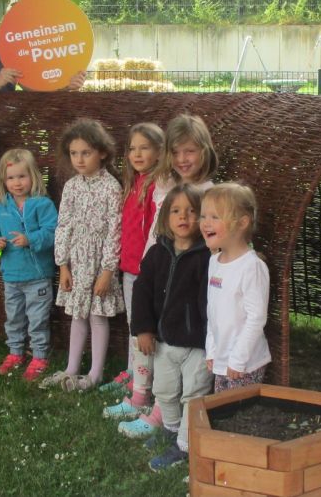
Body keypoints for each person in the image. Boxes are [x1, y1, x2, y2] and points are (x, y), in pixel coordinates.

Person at [119, 113, 219, 439]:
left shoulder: (210, 191)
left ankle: (161, 412)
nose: (182, 159)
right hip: (157, 264)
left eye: (190, 151)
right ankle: (138, 395)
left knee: (169, 347)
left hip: (186, 274)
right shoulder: (163, 182)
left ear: (205, 150)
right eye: (176, 152)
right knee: (145, 337)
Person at [130, 184, 213, 472]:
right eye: (176, 211)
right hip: (163, 341)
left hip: (197, 344)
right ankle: (171, 429)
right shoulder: (157, 253)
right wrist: (143, 329)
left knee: (194, 396)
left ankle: (186, 446)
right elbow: (141, 290)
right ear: (166, 217)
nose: (184, 217)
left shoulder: (208, 256)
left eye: (193, 212)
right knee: (164, 391)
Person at [41, 118, 125, 392]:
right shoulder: (72, 186)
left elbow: (115, 232)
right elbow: (63, 225)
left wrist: (108, 271)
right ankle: (71, 369)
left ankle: (95, 374)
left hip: (100, 266)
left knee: (97, 316)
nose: (79, 159)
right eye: (74, 153)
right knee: (77, 314)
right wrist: (63, 265)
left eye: (85, 153)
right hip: (77, 264)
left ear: (102, 152)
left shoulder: (111, 187)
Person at [101, 122, 164, 418]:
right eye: (132, 148)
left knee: (145, 330)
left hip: (147, 271)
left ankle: (146, 385)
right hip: (129, 269)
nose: (137, 154)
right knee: (132, 326)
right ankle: (131, 373)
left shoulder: (157, 186)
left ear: (159, 152)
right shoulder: (132, 184)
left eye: (145, 147)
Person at [0, 148, 58, 382]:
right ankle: (15, 352)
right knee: (14, 317)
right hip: (11, 276)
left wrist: (31, 240)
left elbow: (54, 232)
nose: (17, 183)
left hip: (37, 276)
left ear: (33, 176)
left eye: (22, 176)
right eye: (11, 178)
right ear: (3, 181)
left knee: (37, 318)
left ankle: (39, 355)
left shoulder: (42, 204)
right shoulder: (1, 207)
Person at [202, 183, 271, 393]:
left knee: (239, 416)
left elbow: (256, 318)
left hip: (245, 364)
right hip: (222, 360)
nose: (206, 223)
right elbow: (212, 310)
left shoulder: (252, 267)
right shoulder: (214, 261)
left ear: (242, 223)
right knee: (222, 411)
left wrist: (238, 359)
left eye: (215, 217)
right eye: (203, 216)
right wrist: (211, 350)